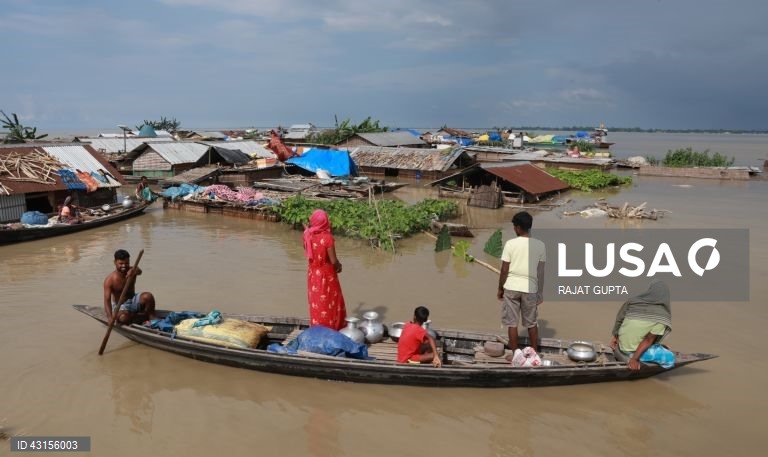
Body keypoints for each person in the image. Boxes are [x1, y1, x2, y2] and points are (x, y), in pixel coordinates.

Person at [497, 211, 546, 352]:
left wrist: (500, 289)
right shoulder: (540, 245)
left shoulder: (510, 244)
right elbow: (540, 272)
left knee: (512, 323)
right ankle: (534, 352)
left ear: (518, 228)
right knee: (531, 323)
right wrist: (540, 293)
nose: (514, 229)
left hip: (511, 287)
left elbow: (504, 270)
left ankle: (515, 354)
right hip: (530, 288)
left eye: (514, 226)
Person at [610, 279, 674, 371]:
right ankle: (641, 358)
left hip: (621, 344)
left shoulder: (633, 302)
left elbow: (619, 320)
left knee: (651, 340)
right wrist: (634, 359)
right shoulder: (662, 316)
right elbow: (648, 340)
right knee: (670, 358)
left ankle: (655, 347)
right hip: (630, 351)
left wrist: (615, 337)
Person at [303, 209, 347, 330]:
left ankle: (318, 327)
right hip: (326, 275)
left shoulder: (308, 235)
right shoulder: (327, 238)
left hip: (313, 273)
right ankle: (332, 327)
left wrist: (306, 230)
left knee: (316, 301)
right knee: (330, 300)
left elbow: (307, 251)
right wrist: (339, 266)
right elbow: (333, 261)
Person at [103, 249, 156, 325]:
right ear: (115, 262)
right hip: (121, 306)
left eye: (126, 263)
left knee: (148, 296)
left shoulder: (132, 270)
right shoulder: (109, 280)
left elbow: (139, 271)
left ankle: (152, 318)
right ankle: (143, 316)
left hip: (133, 300)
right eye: (121, 263)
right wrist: (109, 317)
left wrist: (134, 270)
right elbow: (107, 301)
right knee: (123, 318)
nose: (124, 266)